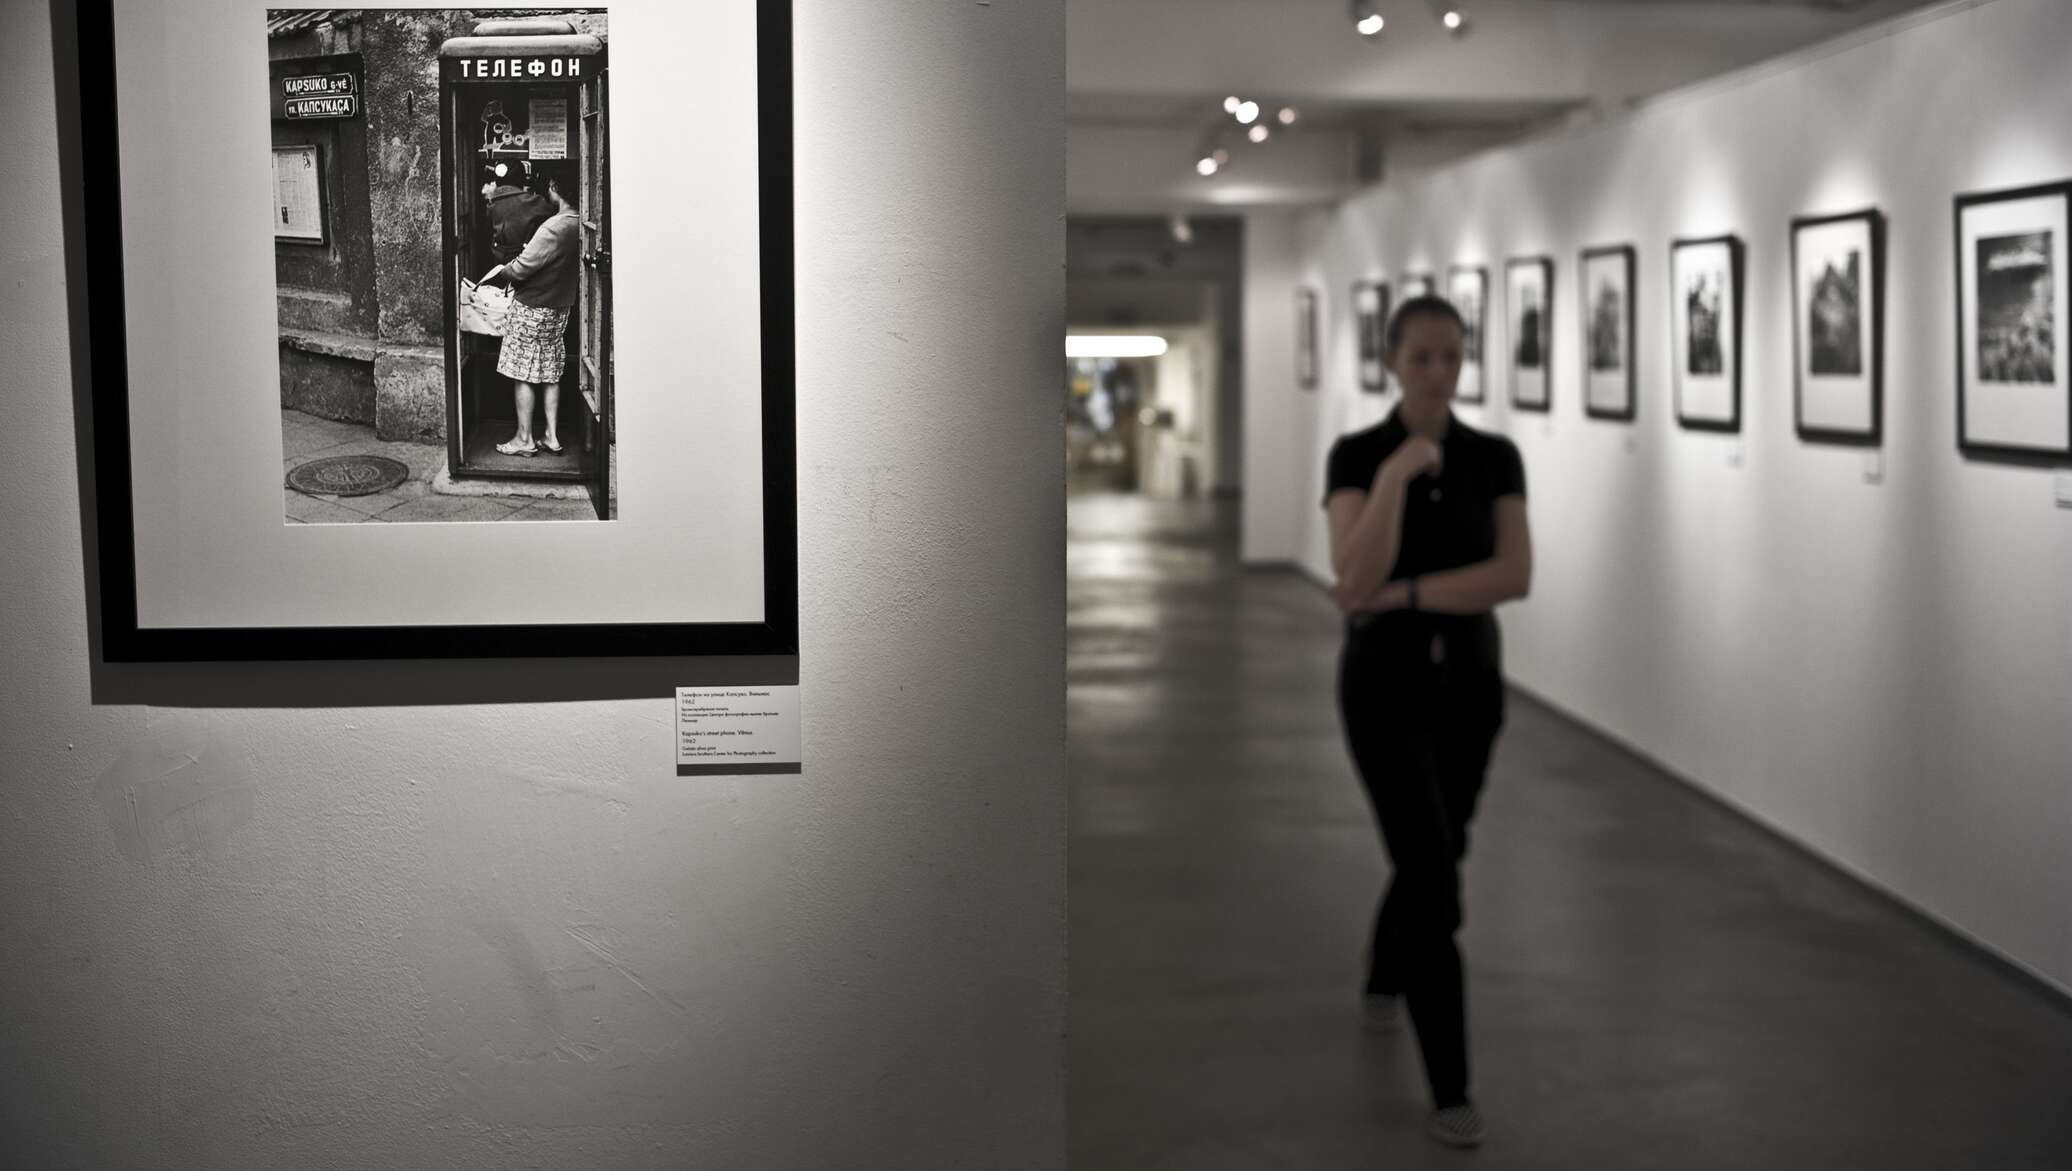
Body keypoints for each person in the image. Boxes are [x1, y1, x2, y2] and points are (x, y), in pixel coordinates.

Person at [1321, 295, 1533, 1150]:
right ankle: (1451, 1085)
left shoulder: (1495, 456)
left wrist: (1409, 593)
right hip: (1381, 687)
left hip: (1472, 686)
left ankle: (1382, 966)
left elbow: (1513, 574)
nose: (1440, 373)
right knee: (1434, 875)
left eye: (1452, 356)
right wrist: (1399, 479)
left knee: (1443, 844)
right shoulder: (1358, 453)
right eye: (1422, 358)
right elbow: (1350, 572)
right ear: (1391, 361)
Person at [480, 171, 582, 457]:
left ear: (553, 187)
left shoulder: (555, 227)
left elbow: (523, 266)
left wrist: (504, 269)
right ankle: (551, 435)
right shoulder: (578, 224)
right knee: (550, 371)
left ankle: (524, 438)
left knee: (521, 372)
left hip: (534, 305)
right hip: (560, 305)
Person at [480, 159, 552, 266]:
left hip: (498, 263)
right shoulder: (536, 202)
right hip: (527, 262)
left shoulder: (491, 205)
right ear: (521, 179)